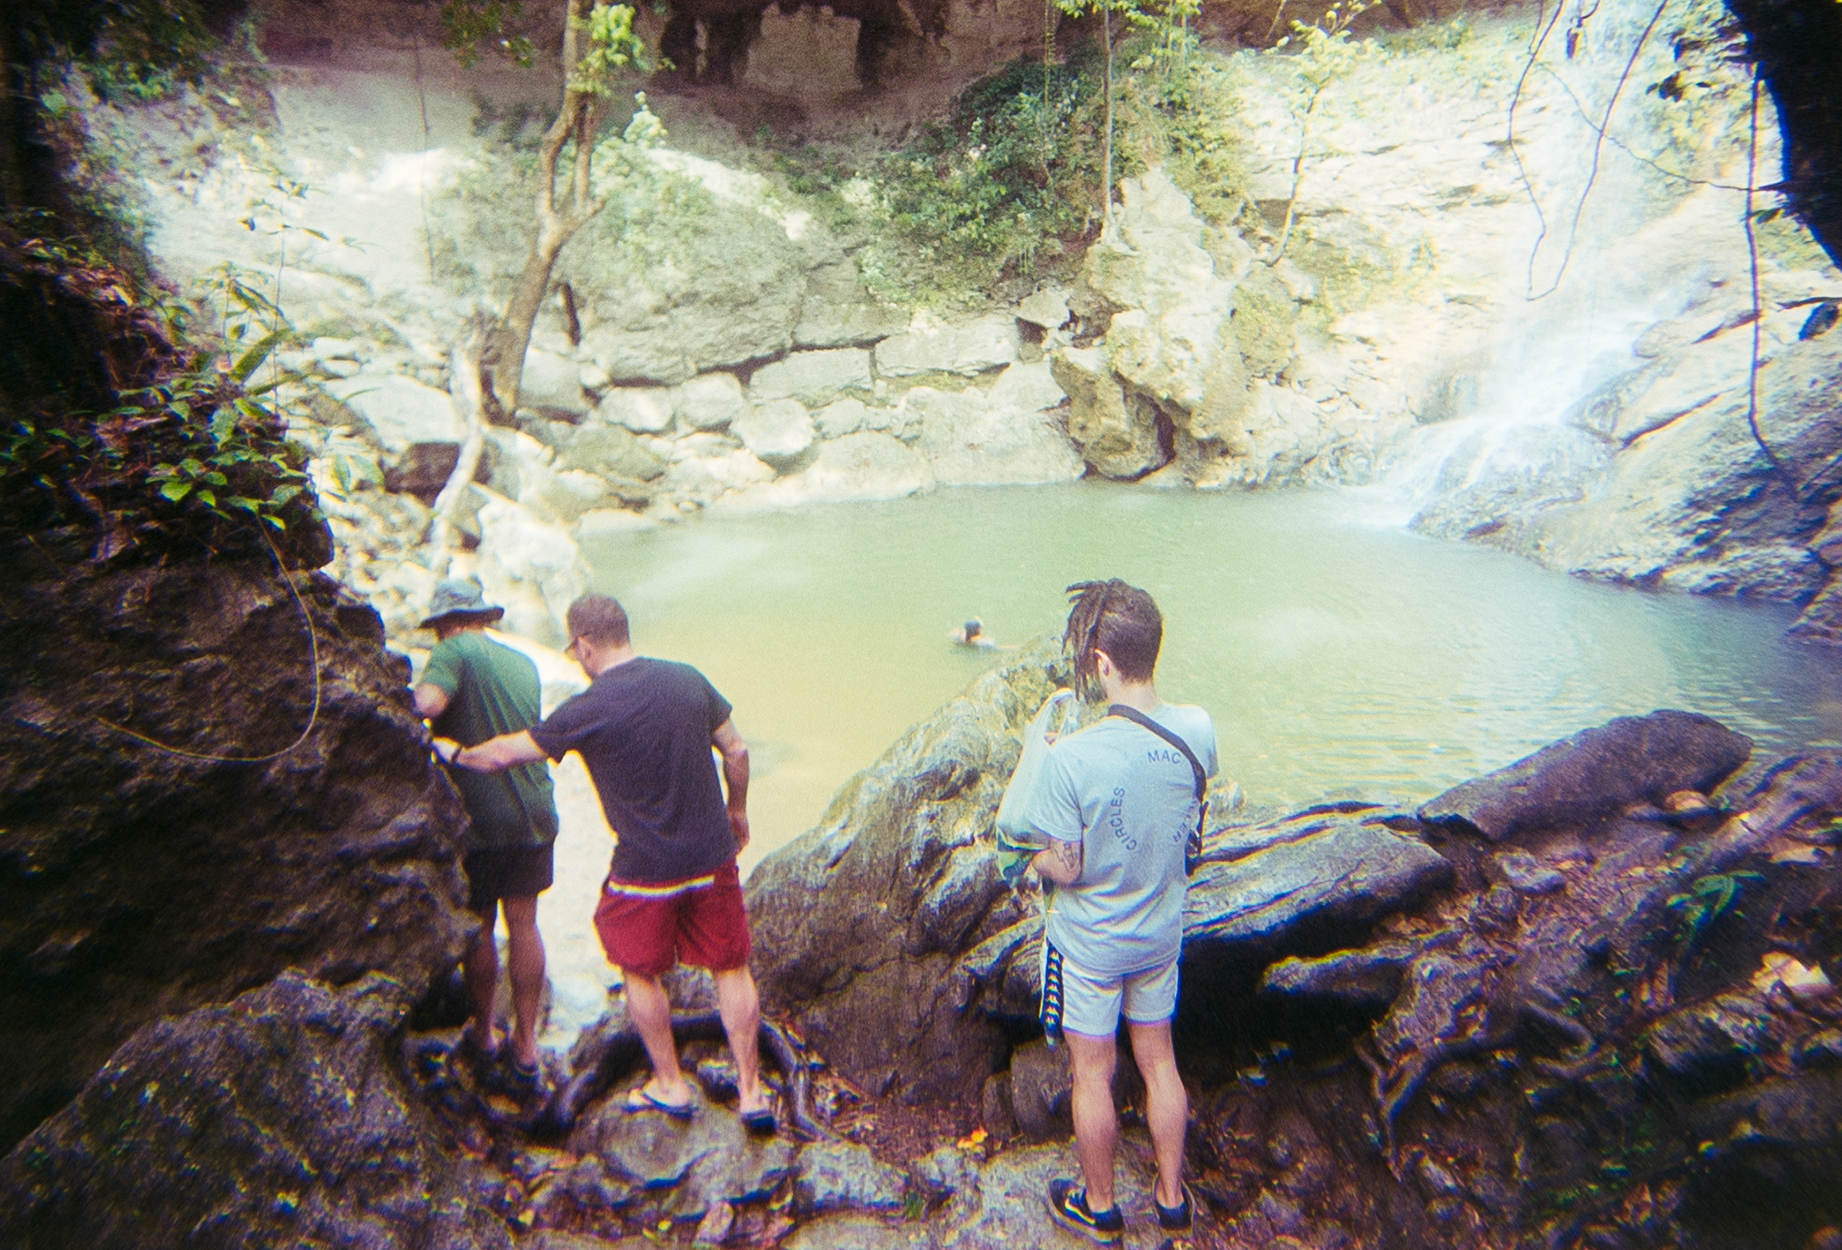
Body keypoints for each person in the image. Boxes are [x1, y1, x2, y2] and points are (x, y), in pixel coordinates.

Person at [447, 593, 773, 1132]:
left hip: (644, 872)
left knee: (639, 970)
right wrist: (737, 812)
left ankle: (670, 1084)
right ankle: (752, 1094)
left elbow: (503, 753)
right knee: (730, 966)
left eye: (574, 650)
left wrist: (450, 751)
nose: (576, 659)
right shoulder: (686, 678)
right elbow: (736, 751)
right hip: (712, 858)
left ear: (586, 645)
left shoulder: (587, 707)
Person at [1020, 579, 1217, 1245]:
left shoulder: (1071, 757)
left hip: (1093, 947)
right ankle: (1171, 1197)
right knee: (1159, 1060)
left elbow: (1066, 866)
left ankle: (1100, 1206)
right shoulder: (1198, 729)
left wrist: (1028, 865)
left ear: (1101, 663)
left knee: (1093, 1072)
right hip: (1160, 935)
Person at [414, 577, 560, 1093]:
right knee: (525, 925)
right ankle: (526, 1047)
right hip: (536, 812)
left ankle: (484, 1034)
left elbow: (426, 706)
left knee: (479, 926)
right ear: (484, 617)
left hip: (482, 819)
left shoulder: (453, 651)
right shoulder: (522, 663)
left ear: (446, 625)